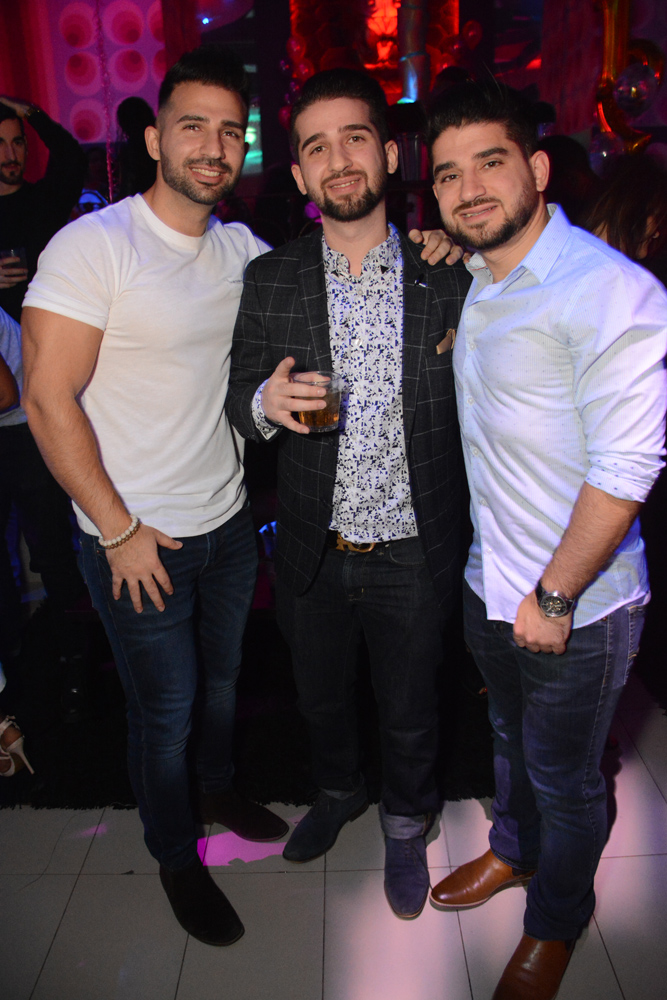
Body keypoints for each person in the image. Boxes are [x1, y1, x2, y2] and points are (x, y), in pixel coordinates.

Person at [21, 45, 291, 948]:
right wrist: (117, 530)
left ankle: (213, 789)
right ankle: (176, 854)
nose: (213, 147)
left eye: (230, 131)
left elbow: (323, 290)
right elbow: (46, 399)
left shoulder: (241, 249)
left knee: (222, 687)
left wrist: (434, 247)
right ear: (153, 139)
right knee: (164, 711)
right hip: (136, 538)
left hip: (227, 525)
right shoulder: (94, 246)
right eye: (193, 126)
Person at [425, 82, 667, 1000]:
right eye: (447, 174)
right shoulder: (480, 281)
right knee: (506, 739)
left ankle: (555, 920)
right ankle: (512, 850)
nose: (468, 189)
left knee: (566, 777)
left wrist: (555, 594)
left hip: (577, 602)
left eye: (489, 163)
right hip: (489, 579)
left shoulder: (609, 290)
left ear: (535, 168)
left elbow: (626, 469)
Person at [227, 68, 471, 921]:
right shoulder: (270, 278)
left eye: (354, 138)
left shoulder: (450, 272)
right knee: (320, 698)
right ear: (297, 172)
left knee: (410, 709)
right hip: (310, 547)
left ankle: (406, 823)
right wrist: (262, 404)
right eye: (316, 147)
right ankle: (337, 792)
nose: (337, 161)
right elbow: (236, 396)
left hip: (415, 546)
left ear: (390, 154)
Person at [0, 304, 88, 715]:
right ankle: (15, 660)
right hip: (11, 429)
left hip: (27, 427)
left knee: (50, 551)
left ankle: (77, 660)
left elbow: (5, 394)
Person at [0, 96, 86, 321]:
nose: (11, 155)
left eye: (17, 143)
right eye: (0, 144)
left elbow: (72, 157)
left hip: (46, 329)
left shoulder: (45, 201)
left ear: (27, 147)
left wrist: (31, 113)